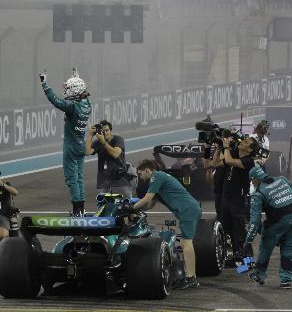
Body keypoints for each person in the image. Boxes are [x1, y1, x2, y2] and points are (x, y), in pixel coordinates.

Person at [132, 159, 202, 289]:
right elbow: (150, 205)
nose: (141, 178)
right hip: (189, 209)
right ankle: (191, 276)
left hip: (187, 210)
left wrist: (131, 208)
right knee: (185, 243)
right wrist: (136, 209)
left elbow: (146, 198)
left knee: (186, 243)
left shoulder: (156, 176)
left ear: (147, 170)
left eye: (140, 174)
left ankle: (191, 277)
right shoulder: (160, 178)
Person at [40, 69, 92, 216]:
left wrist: (45, 84)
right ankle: (82, 208)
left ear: (75, 90)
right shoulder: (87, 103)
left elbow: (55, 101)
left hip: (70, 146)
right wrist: (77, 77)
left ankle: (76, 210)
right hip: (80, 144)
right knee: (80, 177)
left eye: (68, 88)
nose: (66, 91)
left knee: (71, 179)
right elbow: (82, 92)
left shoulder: (71, 107)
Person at [214, 134, 258, 265]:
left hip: (238, 199)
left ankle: (249, 262)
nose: (242, 142)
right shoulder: (233, 154)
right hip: (226, 198)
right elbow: (216, 163)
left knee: (241, 232)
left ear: (250, 149)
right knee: (227, 230)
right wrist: (219, 148)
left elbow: (229, 161)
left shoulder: (248, 160)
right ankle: (236, 258)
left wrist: (226, 147)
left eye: (245, 142)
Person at [245, 165, 292, 288]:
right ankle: (286, 280)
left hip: (276, 223)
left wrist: (248, 240)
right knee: (288, 250)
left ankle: (259, 275)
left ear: (255, 179)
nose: (251, 183)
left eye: (251, 180)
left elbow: (255, 221)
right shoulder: (282, 179)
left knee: (265, 247)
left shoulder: (258, 194)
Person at [85, 119, 133, 198]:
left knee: (127, 202)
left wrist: (104, 143)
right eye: (103, 131)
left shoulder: (118, 139)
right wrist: (91, 134)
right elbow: (87, 152)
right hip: (104, 180)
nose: (105, 133)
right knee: (104, 205)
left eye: (107, 130)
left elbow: (116, 154)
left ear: (111, 130)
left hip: (120, 179)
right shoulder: (98, 142)